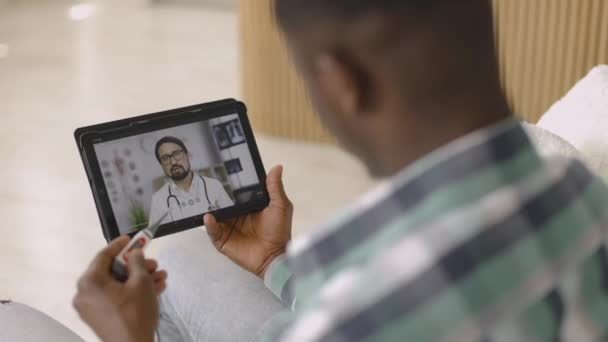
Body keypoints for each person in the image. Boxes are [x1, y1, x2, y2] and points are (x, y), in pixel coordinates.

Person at [74, 0, 608, 341]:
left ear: (341, 81)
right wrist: (274, 263)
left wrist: (129, 338)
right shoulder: (578, 185)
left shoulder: (357, 311)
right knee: (188, 253)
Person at [148, 136, 234, 225]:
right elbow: (159, 236)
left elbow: (232, 221)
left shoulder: (213, 185)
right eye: (165, 158)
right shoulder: (158, 200)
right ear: (162, 165)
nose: (173, 162)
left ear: (188, 155)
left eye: (177, 153)